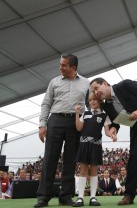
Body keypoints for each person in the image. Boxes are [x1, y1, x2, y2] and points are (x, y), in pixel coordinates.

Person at [35, 54, 89, 208]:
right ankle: (43, 197)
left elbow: (90, 105)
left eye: (64, 65)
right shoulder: (54, 82)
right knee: (50, 158)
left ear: (73, 67)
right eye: (60, 64)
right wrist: (42, 125)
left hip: (75, 122)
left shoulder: (86, 83)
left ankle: (65, 196)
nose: (60, 67)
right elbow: (46, 104)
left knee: (70, 160)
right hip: (56, 120)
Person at [73, 93, 117, 207]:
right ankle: (80, 198)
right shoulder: (85, 114)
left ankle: (93, 197)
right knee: (82, 171)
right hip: (84, 145)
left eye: (94, 100)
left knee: (94, 171)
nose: (92, 102)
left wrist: (113, 135)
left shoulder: (104, 116)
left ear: (100, 101)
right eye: (90, 100)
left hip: (96, 146)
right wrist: (77, 114)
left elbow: (107, 132)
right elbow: (78, 128)